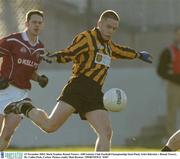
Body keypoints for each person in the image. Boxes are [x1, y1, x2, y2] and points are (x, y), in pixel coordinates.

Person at [4, 10, 152, 151]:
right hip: (78, 87)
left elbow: (120, 51)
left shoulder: (109, 45)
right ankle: (25, 107)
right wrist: (55, 57)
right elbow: (71, 53)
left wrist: (138, 54)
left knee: (106, 132)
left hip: (94, 92)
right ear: (99, 23)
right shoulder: (87, 38)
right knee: (50, 126)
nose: (111, 31)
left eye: (114, 28)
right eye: (108, 27)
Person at [0, 10, 48, 151]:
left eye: (39, 22)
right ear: (26, 23)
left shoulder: (40, 48)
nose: (37, 25)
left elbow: (29, 70)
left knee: (7, 135)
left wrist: (39, 78)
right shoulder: (13, 40)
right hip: (3, 90)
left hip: (21, 96)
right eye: (34, 22)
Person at [158, 27, 180, 151]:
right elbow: (161, 70)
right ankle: (170, 142)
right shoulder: (169, 51)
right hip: (173, 85)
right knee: (172, 113)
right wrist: (173, 78)